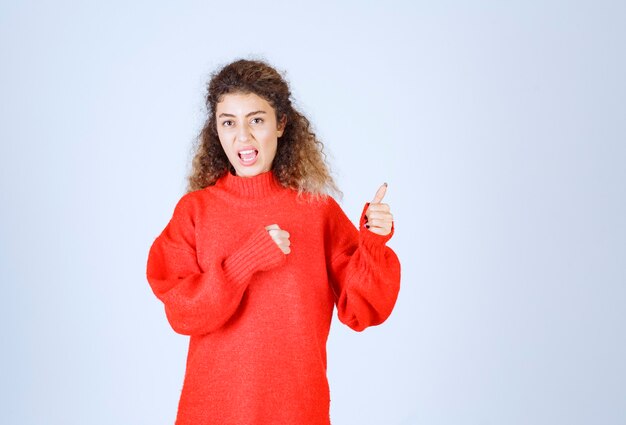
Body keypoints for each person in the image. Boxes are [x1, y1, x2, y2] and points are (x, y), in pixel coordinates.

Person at [146, 59, 401, 425]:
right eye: (228, 122)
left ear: (281, 124)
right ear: (216, 130)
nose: (243, 136)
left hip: (298, 412)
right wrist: (245, 261)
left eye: (257, 120)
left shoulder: (317, 211)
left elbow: (362, 309)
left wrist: (373, 244)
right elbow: (183, 313)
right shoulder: (196, 211)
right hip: (213, 413)